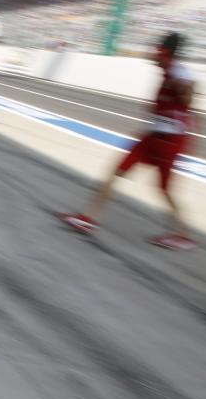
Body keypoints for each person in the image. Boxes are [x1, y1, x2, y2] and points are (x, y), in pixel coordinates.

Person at [58, 32, 198, 250]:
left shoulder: (180, 72)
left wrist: (183, 87)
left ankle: (184, 236)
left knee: (164, 190)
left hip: (170, 142)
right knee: (115, 172)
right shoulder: (166, 72)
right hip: (152, 137)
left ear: (166, 52)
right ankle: (88, 219)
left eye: (157, 49)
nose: (153, 52)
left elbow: (189, 98)